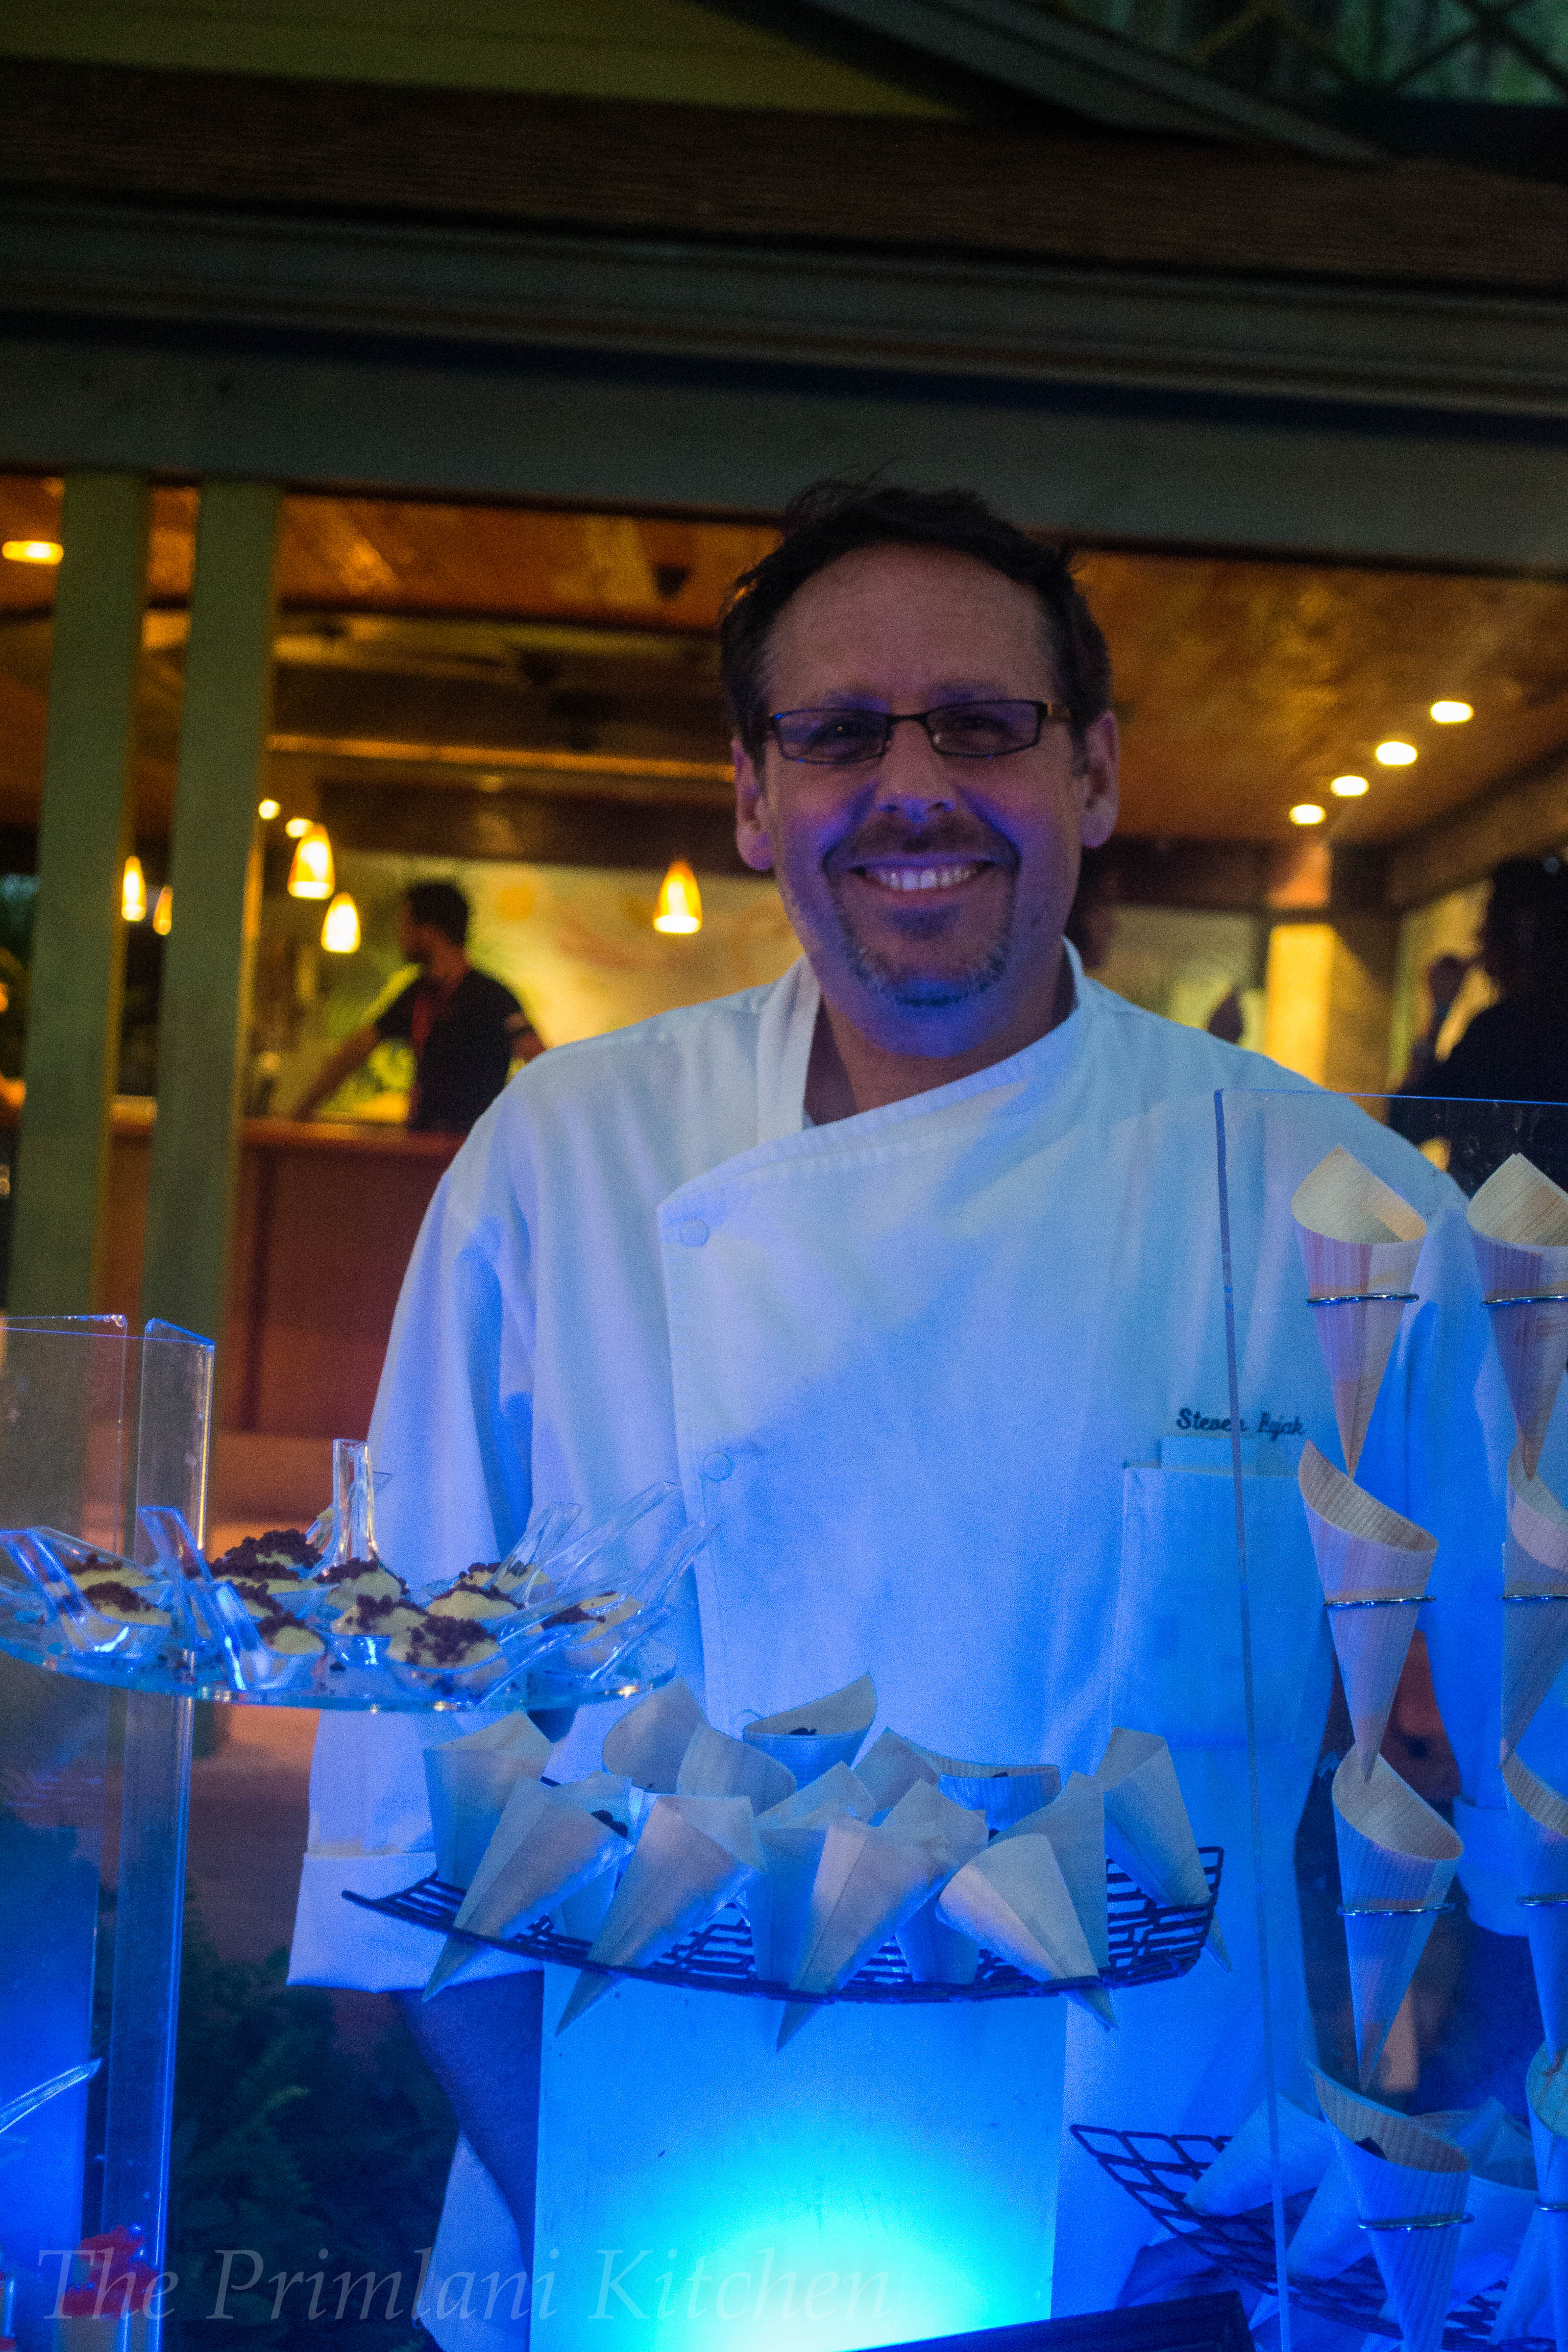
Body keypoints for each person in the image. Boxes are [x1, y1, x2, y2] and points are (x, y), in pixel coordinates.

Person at [289, 485, 1503, 2342]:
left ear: (1092, 774)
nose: (912, 785)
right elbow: (404, 1751)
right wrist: (606, 2228)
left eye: (983, 724)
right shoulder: (570, 1154)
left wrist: (1446, 2203)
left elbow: (1531, 1753)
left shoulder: (1323, 1197)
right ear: (753, 794)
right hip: (625, 2198)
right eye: (840, 732)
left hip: (1149, 2241)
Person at [1392, 854, 1568, 1186]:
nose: (1479, 935)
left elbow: (1408, 1120)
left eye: (1491, 919)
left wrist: (1439, 1011)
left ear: (1523, 931)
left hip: (1495, 1215)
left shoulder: (1501, 1032)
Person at [293, 880, 523, 1135]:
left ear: (429, 931)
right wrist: (302, 1112)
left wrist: (300, 1114)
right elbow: (355, 1051)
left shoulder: (490, 997)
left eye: (406, 925)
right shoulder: (422, 994)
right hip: (433, 1146)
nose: (401, 937)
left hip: (465, 1148)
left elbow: (538, 1058)